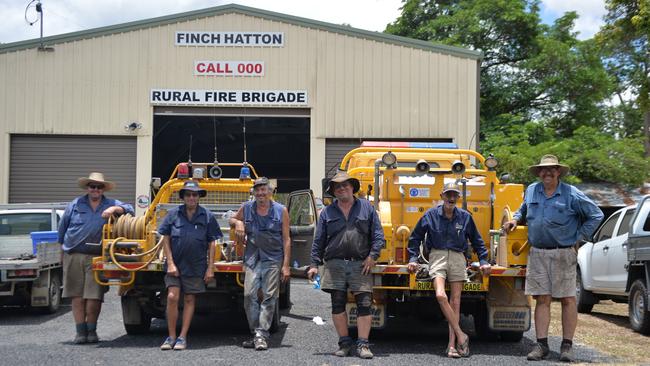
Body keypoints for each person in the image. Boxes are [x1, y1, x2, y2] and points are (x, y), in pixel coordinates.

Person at [502, 155, 603, 362]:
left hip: (563, 253)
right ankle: (541, 345)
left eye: (552, 169)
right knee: (542, 299)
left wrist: (578, 237)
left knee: (568, 299)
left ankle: (567, 346)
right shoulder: (532, 190)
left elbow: (596, 215)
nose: (547, 173)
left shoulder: (571, 194)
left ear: (558, 172)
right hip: (537, 252)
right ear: (538, 172)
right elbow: (523, 209)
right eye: (543, 170)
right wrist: (515, 219)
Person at [407, 182, 491, 358]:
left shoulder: (465, 217)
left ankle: (452, 346)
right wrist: (413, 259)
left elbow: (477, 241)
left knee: (456, 302)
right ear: (442, 196)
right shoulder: (430, 215)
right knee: (440, 295)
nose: (451, 198)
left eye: (454, 195)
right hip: (437, 257)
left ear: (458, 197)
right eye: (448, 195)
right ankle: (462, 335)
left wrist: (483, 260)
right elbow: (414, 238)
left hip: (458, 258)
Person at [308, 171, 385, 359]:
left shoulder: (367, 208)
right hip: (335, 264)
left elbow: (378, 236)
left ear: (352, 187)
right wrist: (313, 264)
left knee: (365, 304)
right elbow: (319, 240)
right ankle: (344, 344)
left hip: (361, 264)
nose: (342, 188)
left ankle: (363, 345)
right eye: (337, 186)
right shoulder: (327, 212)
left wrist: (372, 256)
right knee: (337, 304)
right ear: (333, 191)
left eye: (345, 185)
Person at [58, 172, 134, 344]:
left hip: (98, 256)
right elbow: (62, 232)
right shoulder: (75, 205)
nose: (95, 189)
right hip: (74, 254)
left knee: (94, 297)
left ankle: (92, 330)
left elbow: (131, 209)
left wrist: (115, 209)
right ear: (87, 188)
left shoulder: (111, 203)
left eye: (99, 187)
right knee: (76, 296)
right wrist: (61, 255)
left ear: (103, 189)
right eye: (92, 186)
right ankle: (80, 332)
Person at [158, 180, 221, 351]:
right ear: (183, 197)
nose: (191, 197)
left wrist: (210, 267)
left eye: (195, 194)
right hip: (175, 265)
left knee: (189, 298)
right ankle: (170, 336)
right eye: (188, 194)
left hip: (196, 265)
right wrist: (170, 263)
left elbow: (212, 242)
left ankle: (182, 337)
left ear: (199, 197)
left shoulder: (207, 216)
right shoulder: (173, 214)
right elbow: (165, 238)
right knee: (172, 297)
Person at [230, 177, 291, 351]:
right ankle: (256, 332)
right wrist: (239, 222)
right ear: (254, 192)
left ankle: (261, 335)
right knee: (249, 296)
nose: (260, 193)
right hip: (252, 257)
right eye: (257, 190)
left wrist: (286, 266)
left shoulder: (281, 211)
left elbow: (286, 239)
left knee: (269, 296)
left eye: (264, 189)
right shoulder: (247, 208)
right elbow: (231, 220)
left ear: (270, 192)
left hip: (273, 258)